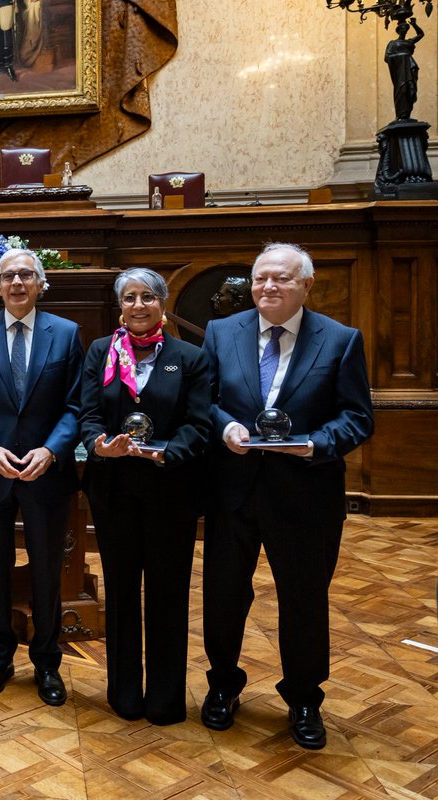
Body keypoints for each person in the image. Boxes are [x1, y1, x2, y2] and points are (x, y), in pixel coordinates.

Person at [200, 243, 373, 750]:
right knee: (225, 595)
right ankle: (222, 685)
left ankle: (302, 698)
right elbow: (203, 400)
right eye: (260, 279)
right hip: (233, 489)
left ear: (306, 285)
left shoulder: (340, 340)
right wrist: (225, 425)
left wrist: (316, 444)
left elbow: (358, 416)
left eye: (280, 279)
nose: (268, 288)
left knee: (302, 600)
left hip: (304, 493)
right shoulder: (220, 332)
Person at [78, 268, 211, 724]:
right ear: (120, 306)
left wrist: (168, 453)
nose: (138, 305)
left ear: (163, 303)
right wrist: (99, 443)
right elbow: (89, 412)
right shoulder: (101, 351)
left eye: (148, 297)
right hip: (114, 490)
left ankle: (165, 699)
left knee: (167, 592)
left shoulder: (189, 357)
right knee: (120, 591)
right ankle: (125, 694)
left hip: (170, 490)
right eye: (130, 297)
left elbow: (199, 423)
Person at [0, 248, 82, 701]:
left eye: (26, 274)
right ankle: (0, 657)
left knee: (46, 571)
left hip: (47, 473)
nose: (17, 283)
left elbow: (74, 406)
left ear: (41, 283)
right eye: (7, 276)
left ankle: (47, 664)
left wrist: (52, 449)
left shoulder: (66, 334)